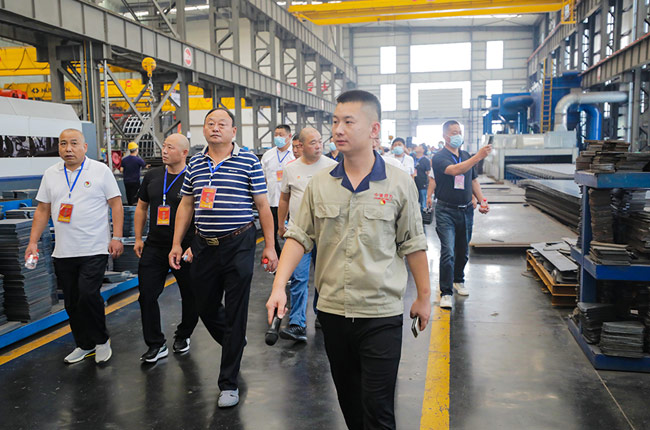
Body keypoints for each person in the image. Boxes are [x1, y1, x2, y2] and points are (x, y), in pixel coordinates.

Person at [266, 90, 431, 430]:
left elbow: (413, 244)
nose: (338, 129)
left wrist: (424, 297)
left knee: (378, 408)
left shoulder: (399, 183)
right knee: (350, 404)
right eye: (335, 121)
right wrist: (279, 286)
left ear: (374, 129)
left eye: (348, 122)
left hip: (380, 312)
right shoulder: (320, 185)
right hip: (333, 312)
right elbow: (299, 236)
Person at [169, 107, 278, 408]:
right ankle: (234, 340)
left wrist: (270, 246)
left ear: (233, 131)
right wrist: (177, 243)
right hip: (203, 245)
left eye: (222, 124)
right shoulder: (195, 163)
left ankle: (228, 383)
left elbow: (263, 206)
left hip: (238, 242)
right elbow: (186, 205)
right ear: (204, 129)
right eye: (210, 123)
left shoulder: (248, 161)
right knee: (204, 305)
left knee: (236, 311)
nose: (215, 128)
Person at [26, 128, 124, 364]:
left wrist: (117, 237)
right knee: (71, 302)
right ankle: (84, 344)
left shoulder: (100, 171)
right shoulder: (51, 174)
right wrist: (32, 242)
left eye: (73, 143)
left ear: (84, 147)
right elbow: (42, 210)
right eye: (63, 144)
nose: (68, 149)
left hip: (94, 247)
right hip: (64, 251)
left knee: (88, 295)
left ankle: (101, 340)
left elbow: (116, 204)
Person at [133, 133, 199, 363]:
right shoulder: (152, 175)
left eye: (170, 148)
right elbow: (141, 207)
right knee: (147, 295)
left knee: (191, 295)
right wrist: (138, 237)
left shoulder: (193, 177)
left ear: (184, 153)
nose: (164, 151)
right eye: (164, 146)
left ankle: (184, 334)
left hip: (185, 247)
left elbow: (201, 214)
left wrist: (194, 245)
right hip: (155, 245)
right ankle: (155, 343)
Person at [276, 127, 337, 341]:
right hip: (299, 232)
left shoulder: (332, 167)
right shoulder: (291, 168)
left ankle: (322, 314)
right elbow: (284, 198)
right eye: (313, 142)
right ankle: (297, 324)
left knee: (324, 277)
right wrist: (281, 225)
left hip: (325, 231)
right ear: (300, 146)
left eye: (320, 141)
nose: (318, 146)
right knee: (299, 277)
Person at [431, 120, 491, 309]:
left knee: (463, 251)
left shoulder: (464, 155)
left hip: (466, 210)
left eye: (459, 132)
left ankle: (458, 280)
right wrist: (478, 157)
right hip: (446, 211)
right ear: (445, 136)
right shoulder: (439, 157)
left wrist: (482, 200)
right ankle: (446, 292)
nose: (458, 135)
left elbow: (473, 181)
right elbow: (455, 170)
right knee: (448, 252)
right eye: (454, 132)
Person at [261, 125, 295, 257]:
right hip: (271, 202)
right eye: (276, 135)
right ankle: (278, 258)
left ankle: (292, 258)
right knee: (270, 233)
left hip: (291, 203)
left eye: (281, 135)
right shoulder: (268, 155)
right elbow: (263, 179)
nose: (277, 137)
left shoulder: (294, 155)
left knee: (291, 234)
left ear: (289, 136)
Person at [414, 144, 431, 210]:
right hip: (413, 183)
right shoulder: (412, 158)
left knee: (423, 203)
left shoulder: (426, 160)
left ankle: (422, 215)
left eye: (419, 146)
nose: (417, 147)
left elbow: (428, 173)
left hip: (422, 184)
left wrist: (429, 187)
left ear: (423, 150)